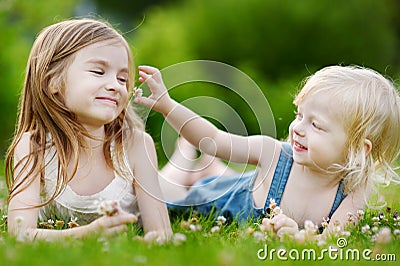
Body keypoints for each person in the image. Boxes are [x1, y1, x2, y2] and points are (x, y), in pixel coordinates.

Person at [134, 65, 400, 236]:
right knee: (171, 187)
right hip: (212, 197)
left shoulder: (352, 189)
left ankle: (207, 166)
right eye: (299, 115)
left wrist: (296, 237)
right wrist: (167, 105)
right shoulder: (272, 153)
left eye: (316, 125)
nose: (297, 128)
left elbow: (333, 240)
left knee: (216, 174)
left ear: (359, 150)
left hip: (239, 183)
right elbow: (213, 139)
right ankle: (187, 154)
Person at [5, 19, 172, 241]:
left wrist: (155, 240)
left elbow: (161, 233)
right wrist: (87, 234)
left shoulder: (136, 144)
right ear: (52, 82)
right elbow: (19, 235)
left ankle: (190, 155)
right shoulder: (34, 146)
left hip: (169, 192)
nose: (116, 85)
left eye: (122, 78)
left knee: (180, 188)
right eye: (98, 71)